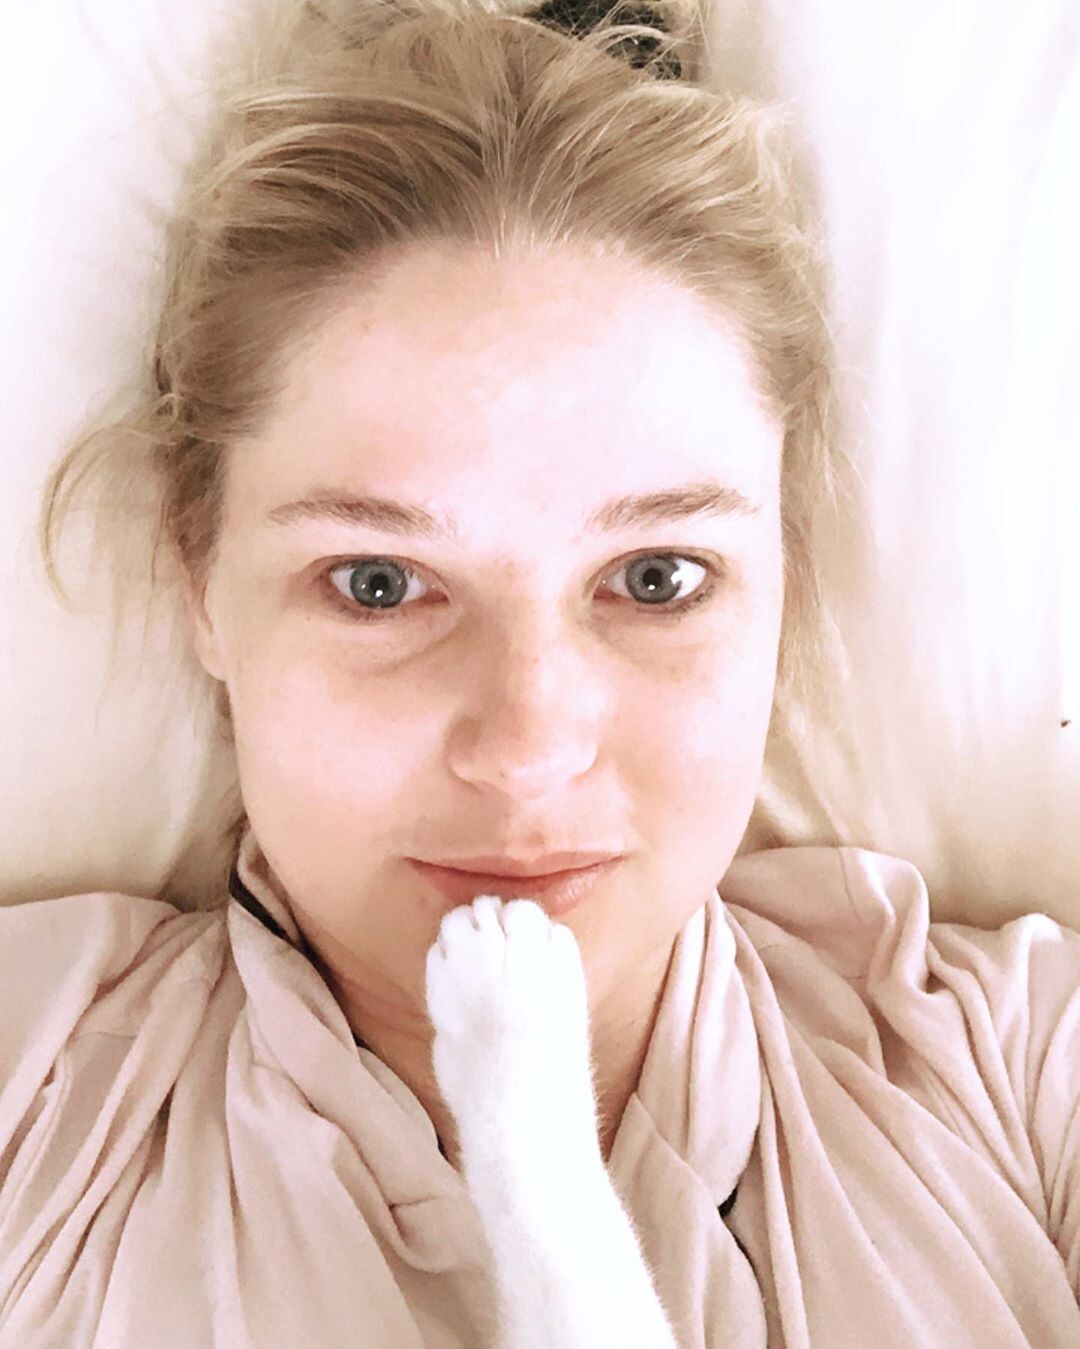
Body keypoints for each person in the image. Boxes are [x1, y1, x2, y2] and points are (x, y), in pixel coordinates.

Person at [6, 0, 1078, 1344]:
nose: (526, 748)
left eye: (656, 578)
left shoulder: (1023, 1077)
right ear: (197, 581)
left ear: (783, 579)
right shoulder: (31, 1097)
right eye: (379, 582)